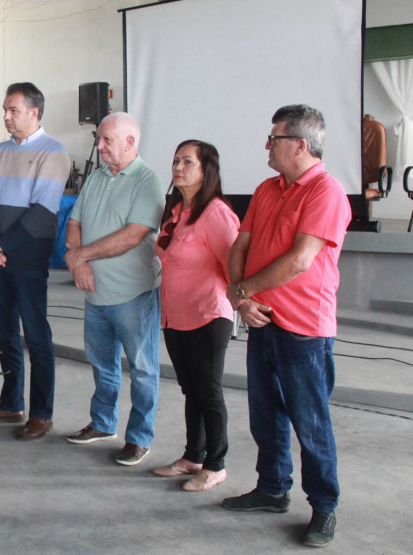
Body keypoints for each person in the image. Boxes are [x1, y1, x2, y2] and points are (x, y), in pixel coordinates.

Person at [222, 105, 351, 548]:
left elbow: (300, 260)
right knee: (265, 415)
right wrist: (239, 294)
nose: (266, 146)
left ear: (299, 143)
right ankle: (273, 489)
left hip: (304, 330)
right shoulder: (267, 188)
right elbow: (241, 242)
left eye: (273, 138)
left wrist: (245, 290)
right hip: (262, 321)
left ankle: (324, 507)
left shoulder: (326, 192)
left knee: (310, 422)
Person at [63, 112, 164, 466]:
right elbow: (73, 221)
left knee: (142, 368)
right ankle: (104, 424)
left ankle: (139, 437)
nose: (100, 146)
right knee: (102, 364)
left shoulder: (147, 181)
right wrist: (82, 263)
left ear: (130, 143)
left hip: (133, 294)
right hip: (95, 293)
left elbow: (133, 235)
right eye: (100, 139)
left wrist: (78, 257)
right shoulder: (96, 177)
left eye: (107, 140)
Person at [0, 83, 71, 441]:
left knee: (36, 334)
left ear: (35, 112)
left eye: (13, 110)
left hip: (26, 259)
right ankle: (11, 403)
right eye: (5, 109)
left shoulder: (54, 152)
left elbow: (42, 213)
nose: (6, 116)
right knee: (3, 334)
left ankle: (41, 413)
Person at [151, 140, 239, 491]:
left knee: (209, 391)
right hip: (175, 315)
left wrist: (244, 302)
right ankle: (193, 456)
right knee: (192, 391)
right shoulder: (176, 212)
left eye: (188, 161)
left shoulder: (216, 213)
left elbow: (235, 264)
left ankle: (216, 464)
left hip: (208, 314)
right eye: (175, 160)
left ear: (207, 171)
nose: (178, 167)